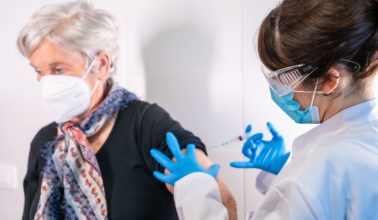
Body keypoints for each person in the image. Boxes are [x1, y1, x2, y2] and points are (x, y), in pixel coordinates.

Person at [150, 0, 378, 219]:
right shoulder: (361, 143)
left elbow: (313, 194)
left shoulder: (315, 173)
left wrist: (195, 188)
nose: (278, 90)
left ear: (329, 79)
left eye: (284, 78)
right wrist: (282, 173)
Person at [16, 1, 237, 219]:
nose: (46, 83)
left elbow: (225, 203)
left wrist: (194, 182)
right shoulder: (45, 141)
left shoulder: (146, 125)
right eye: (39, 71)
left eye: (58, 69)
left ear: (101, 64)